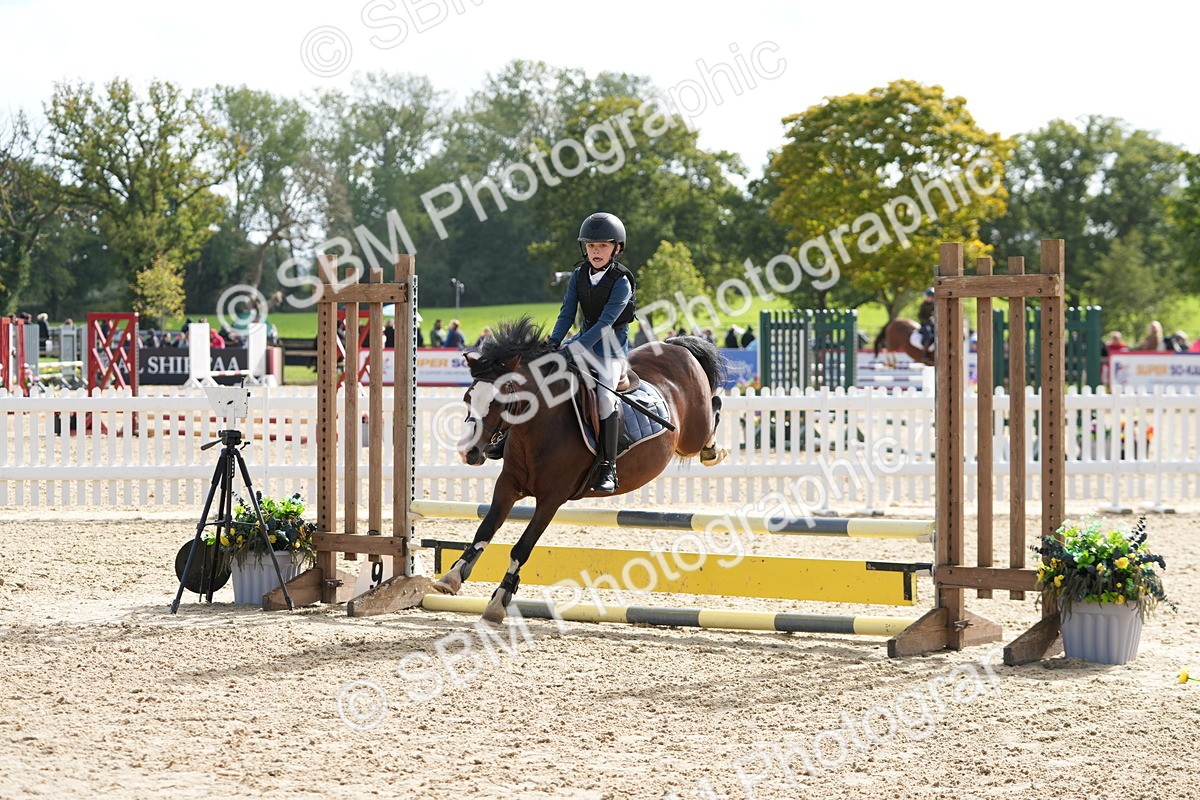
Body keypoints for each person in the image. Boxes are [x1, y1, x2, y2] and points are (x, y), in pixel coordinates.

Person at [549, 211, 635, 494]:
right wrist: (553, 343)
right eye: (591, 246)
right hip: (581, 345)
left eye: (603, 246)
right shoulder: (578, 276)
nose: (596, 252)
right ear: (584, 248)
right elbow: (566, 313)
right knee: (544, 378)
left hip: (611, 352)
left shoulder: (622, 281)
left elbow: (604, 324)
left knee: (605, 397)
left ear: (616, 248)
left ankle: (608, 466)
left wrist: (572, 348)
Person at [917, 288, 935, 357]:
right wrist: (928, 322)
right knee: (928, 335)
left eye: (928, 297)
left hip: (933, 324)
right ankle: (924, 354)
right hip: (925, 324)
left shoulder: (935, 304)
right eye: (926, 296)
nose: (926, 298)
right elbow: (920, 316)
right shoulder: (923, 305)